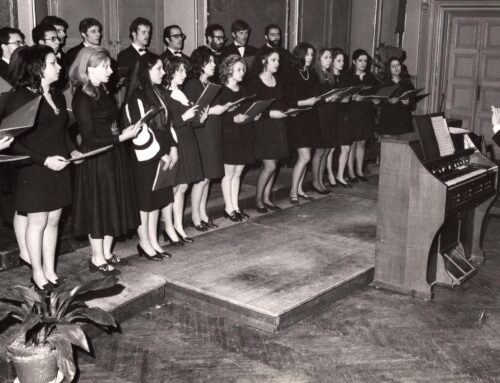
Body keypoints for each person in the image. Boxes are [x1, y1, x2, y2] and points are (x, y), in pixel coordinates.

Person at [2, 45, 82, 290]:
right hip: (34, 168)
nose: (59, 66)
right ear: (38, 68)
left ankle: (50, 269)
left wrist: (73, 151)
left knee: (54, 220)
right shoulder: (18, 98)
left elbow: (61, 132)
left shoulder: (57, 95)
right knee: (37, 221)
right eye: (53, 63)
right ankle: (37, 273)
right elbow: (14, 143)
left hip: (59, 165)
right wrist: (44, 160)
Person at [70, 46, 140, 275]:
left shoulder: (103, 92)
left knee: (112, 204)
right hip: (97, 159)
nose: (111, 71)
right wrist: (121, 136)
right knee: (99, 208)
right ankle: (97, 257)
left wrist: (123, 130)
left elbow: (110, 124)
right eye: (105, 66)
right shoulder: (82, 97)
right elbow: (89, 136)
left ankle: (107, 252)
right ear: (89, 69)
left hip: (112, 153)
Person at [123, 53, 177, 260]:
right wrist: (159, 153)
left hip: (162, 153)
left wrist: (172, 147)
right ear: (146, 72)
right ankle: (144, 242)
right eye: (158, 69)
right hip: (146, 156)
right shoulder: (136, 97)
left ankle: (153, 240)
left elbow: (168, 122)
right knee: (145, 202)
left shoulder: (159, 92)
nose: (163, 73)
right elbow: (139, 130)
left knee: (157, 199)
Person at [162, 56, 207, 243]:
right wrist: (185, 117)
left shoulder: (181, 92)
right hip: (175, 142)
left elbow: (188, 120)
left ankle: (179, 226)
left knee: (183, 186)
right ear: (170, 72)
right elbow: (165, 124)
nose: (184, 74)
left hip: (188, 140)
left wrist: (199, 120)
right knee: (175, 187)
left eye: (185, 71)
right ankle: (168, 227)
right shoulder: (164, 94)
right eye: (179, 71)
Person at [184, 46, 229, 230]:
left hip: (211, 134)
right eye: (209, 62)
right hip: (201, 135)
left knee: (208, 178)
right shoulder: (192, 84)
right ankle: (196, 217)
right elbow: (191, 112)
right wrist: (212, 110)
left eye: (213, 61)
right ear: (200, 64)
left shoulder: (209, 84)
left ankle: (203, 213)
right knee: (201, 179)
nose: (213, 65)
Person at [248, 47, 288, 212]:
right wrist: (269, 113)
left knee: (275, 164)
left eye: (278, 60)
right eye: (273, 60)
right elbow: (251, 108)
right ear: (264, 61)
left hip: (278, 126)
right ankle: (258, 199)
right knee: (269, 166)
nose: (277, 63)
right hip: (263, 127)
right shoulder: (254, 82)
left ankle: (267, 198)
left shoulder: (278, 80)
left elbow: (282, 102)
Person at [218, 54, 252, 221]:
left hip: (242, 134)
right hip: (228, 135)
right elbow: (217, 117)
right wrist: (232, 119)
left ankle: (236, 206)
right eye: (238, 69)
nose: (242, 72)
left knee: (238, 172)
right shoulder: (221, 91)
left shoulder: (244, 90)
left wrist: (252, 115)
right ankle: (228, 208)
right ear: (228, 70)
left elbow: (246, 110)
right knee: (229, 173)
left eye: (243, 69)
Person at [286, 42, 321, 203]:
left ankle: (299, 188)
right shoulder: (291, 73)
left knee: (307, 156)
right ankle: (293, 191)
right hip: (298, 119)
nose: (310, 58)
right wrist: (305, 102)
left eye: (312, 55)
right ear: (300, 55)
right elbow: (288, 100)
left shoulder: (311, 73)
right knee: (304, 156)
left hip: (310, 118)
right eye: (307, 55)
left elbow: (315, 94)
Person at [346, 49, 379, 182]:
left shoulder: (370, 77)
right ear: (354, 61)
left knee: (362, 142)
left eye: (365, 61)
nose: (363, 63)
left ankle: (359, 171)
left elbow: (376, 95)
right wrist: (352, 97)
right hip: (352, 113)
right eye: (360, 60)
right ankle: (350, 171)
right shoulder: (348, 77)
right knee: (352, 143)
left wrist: (375, 99)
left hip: (366, 113)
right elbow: (343, 95)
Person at [331, 49, 353, 187]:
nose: (342, 63)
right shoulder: (327, 77)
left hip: (344, 115)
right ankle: (330, 175)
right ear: (332, 61)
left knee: (346, 147)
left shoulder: (345, 77)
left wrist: (349, 97)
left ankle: (340, 175)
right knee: (331, 148)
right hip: (332, 115)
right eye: (339, 60)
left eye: (343, 61)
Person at [377, 57, 414, 137]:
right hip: (388, 120)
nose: (396, 68)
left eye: (398, 65)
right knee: (387, 147)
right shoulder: (384, 84)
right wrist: (388, 101)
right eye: (393, 66)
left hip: (404, 120)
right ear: (389, 69)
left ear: (401, 66)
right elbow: (378, 102)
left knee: (402, 148)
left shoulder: (407, 83)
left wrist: (408, 102)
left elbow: (413, 104)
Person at [117, 17, 153, 93]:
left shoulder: (152, 56)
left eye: (148, 32)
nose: (147, 36)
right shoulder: (124, 55)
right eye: (143, 32)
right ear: (134, 34)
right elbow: (123, 79)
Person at [32, 23, 66, 89]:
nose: (58, 42)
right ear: (41, 42)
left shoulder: (61, 59)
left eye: (57, 39)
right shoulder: (31, 63)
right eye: (53, 39)